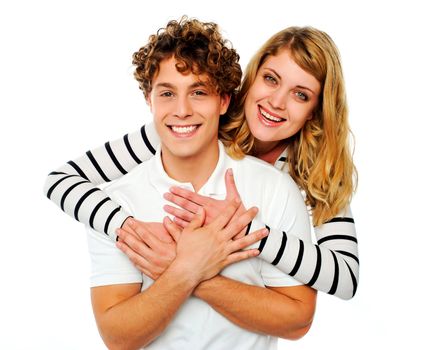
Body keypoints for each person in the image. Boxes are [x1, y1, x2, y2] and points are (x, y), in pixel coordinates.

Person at [44, 22, 358, 300]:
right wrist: (128, 228)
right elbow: (60, 181)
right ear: (252, 78)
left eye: (300, 94)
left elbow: (345, 277)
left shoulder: (319, 170)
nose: (276, 102)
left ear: (317, 109)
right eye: (271, 79)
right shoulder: (193, 123)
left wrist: (249, 232)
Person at [83, 18, 316, 349]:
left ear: (223, 101)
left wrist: (190, 271)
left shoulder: (273, 188)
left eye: (198, 92)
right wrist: (187, 269)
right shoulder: (116, 205)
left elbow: (298, 321)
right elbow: (118, 337)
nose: (182, 110)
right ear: (150, 99)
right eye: (167, 93)